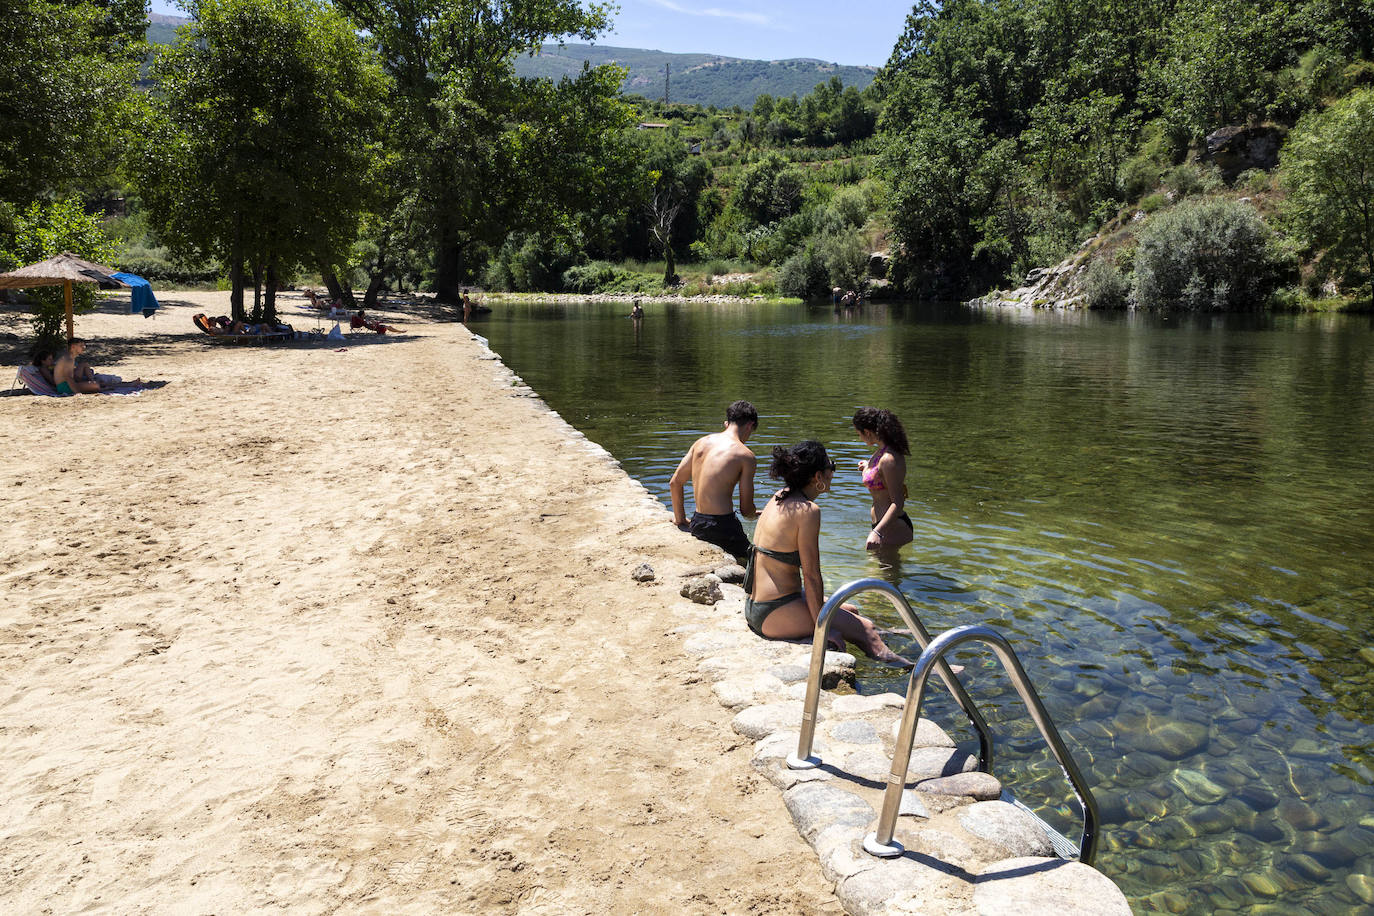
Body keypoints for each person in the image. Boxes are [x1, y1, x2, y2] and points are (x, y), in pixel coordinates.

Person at [744, 440, 911, 666]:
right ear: (817, 477)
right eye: (829, 465)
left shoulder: (780, 496)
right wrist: (822, 628)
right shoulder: (808, 511)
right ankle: (919, 669)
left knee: (850, 609)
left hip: (758, 605)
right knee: (866, 629)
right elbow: (812, 576)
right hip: (774, 612)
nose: (832, 470)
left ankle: (886, 635)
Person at [670, 400, 759, 561]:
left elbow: (675, 483)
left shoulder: (700, 443)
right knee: (757, 561)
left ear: (727, 423)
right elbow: (746, 511)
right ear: (749, 426)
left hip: (698, 522)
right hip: (723, 527)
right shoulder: (746, 456)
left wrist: (680, 519)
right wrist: (760, 513)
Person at [854, 407, 914, 550]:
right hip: (883, 526)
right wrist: (868, 466)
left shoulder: (888, 459)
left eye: (859, 434)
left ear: (867, 432)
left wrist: (877, 532)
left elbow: (898, 502)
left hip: (891, 527)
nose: (859, 438)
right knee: (876, 571)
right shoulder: (881, 452)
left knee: (886, 572)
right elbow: (881, 473)